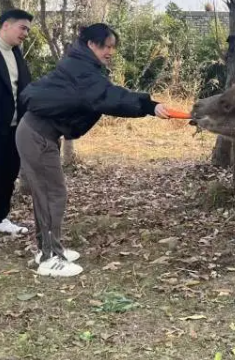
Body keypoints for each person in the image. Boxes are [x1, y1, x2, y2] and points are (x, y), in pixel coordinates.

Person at [16, 23, 170, 277]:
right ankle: (50, 257)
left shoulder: (82, 65)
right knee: (52, 194)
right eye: (106, 46)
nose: (110, 51)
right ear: (91, 45)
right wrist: (148, 106)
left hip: (38, 132)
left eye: (112, 47)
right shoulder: (83, 71)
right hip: (37, 134)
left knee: (47, 193)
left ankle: (48, 248)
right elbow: (108, 97)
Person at [0, 9, 33, 236]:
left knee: (8, 173)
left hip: (12, 128)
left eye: (28, 30)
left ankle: (2, 217)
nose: (26, 34)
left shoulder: (16, 53)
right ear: (5, 26)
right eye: (23, 28)